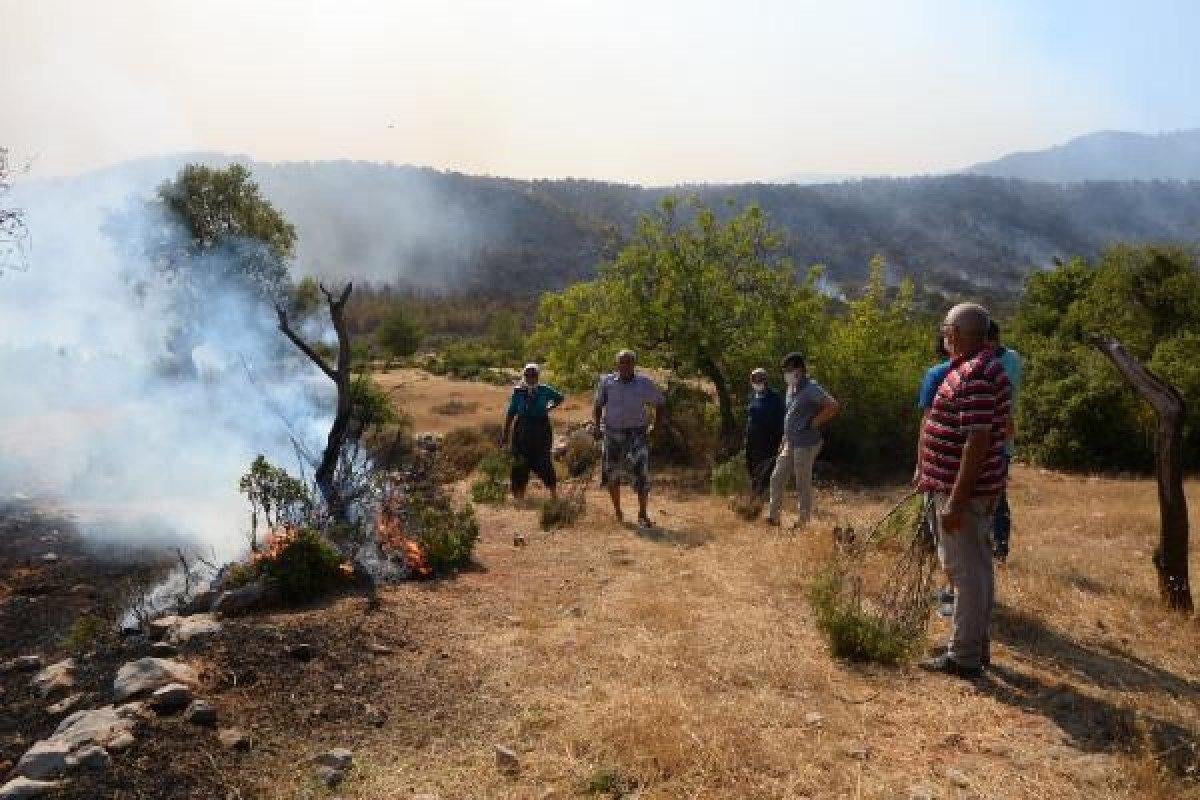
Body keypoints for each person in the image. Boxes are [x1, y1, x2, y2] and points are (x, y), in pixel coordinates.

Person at [918, 303, 1012, 678]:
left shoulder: (976, 375)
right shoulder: (981, 367)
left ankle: (964, 656)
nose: (943, 334)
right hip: (967, 489)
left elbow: (977, 441)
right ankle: (975, 645)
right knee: (976, 569)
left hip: (964, 494)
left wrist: (955, 501)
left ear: (955, 334)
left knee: (965, 573)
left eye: (946, 328)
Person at [592, 350, 666, 528]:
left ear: (634, 364)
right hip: (612, 433)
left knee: (641, 474)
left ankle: (643, 513)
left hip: (636, 434)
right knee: (611, 473)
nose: (625, 366)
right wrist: (597, 426)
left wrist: (656, 427)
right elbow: (598, 405)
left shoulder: (644, 383)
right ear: (617, 364)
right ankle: (617, 511)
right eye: (622, 362)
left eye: (629, 362)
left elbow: (660, 403)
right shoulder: (607, 382)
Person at [766, 352, 840, 530]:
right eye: (784, 370)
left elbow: (833, 406)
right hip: (790, 442)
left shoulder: (811, 388)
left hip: (806, 444)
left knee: (802, 483)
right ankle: (773, 518)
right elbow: (790, 415)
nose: (786, 373)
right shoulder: (790, 389)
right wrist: (784, 439)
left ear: (799, 369)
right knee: (776, 478)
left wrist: (814, 422)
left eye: (789, 369)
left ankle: (803, 522)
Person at [501, 363, 564, 502]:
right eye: (527, 375)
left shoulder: (544, 389)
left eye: (533, 375)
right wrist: (505, 434)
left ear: (538, 376)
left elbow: (560, 397)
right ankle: (519, 497)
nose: (530, 378)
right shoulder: (518, 391)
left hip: (541, 429)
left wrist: (549, 407)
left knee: (544, 461)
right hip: (522, 430)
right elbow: (511, 413)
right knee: (520, 462)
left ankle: (554, 495)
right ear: (524, 376)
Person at [986, 320, 1023, 563]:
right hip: (984, 437)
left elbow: (1005, 395)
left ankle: (1000, 547)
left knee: (997, 494)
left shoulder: (1010, 359)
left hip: (999, 438)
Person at [744, 367, 785, 496]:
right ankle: (755, 493)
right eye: (755, 379)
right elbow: (750, 417)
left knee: (766, 468)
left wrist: (781, 440)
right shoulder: (752, 396)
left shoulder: (774, 397)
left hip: (768, 440)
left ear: (766, 380)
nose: (757, 382)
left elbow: (781, 419)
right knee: (752, 468)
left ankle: (763, 496)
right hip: (752, 440)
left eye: (760, 379)